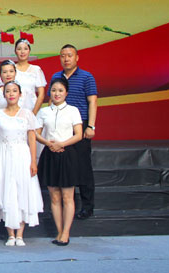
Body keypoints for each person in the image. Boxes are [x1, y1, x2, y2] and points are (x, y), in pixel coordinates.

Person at [0, 81, 43, 247]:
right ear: (4, 95)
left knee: (22, 191)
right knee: (7, 191)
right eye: (8, 91)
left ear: (20, 94)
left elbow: (32, 139)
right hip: (4, 156)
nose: (11, 94)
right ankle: (10, 234)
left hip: (22, 156)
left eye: (14, 91)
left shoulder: (27, 114)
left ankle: (20, 234)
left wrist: (33, 161)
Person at [50, 44, 98, 220]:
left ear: (77, 57)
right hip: (60, 128)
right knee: (64, 166)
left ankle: (87, 206)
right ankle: (64, 205)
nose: (66, 59)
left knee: (83, 166)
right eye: (63, 55)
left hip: (80, 127)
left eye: (70, 55)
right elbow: (51, 101)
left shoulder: (86, 77)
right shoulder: (56, 77)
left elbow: (92, 102)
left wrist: (91, 126)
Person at [36, 78, 83, 246]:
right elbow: (36, 133)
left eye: (60, 90)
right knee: (54, 197)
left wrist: (61, 144)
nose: (57, 93)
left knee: (67, 196)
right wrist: (49, 143)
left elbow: (79, 134)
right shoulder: (43, 111)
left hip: (67, 154)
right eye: (54, 90)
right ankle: (59, 231)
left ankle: (66, 233)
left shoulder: (73, 111)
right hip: (49, 154)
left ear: (66, 93)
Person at [14, 38, 46, 115]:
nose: (22, 52)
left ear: (29, 51)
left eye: (25, 49)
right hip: (15, 110)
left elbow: (41, 94)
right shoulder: (11, 69)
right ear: (15, 51)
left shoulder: (36, 69)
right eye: (19, 49)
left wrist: (33, 113)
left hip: (32, 109)